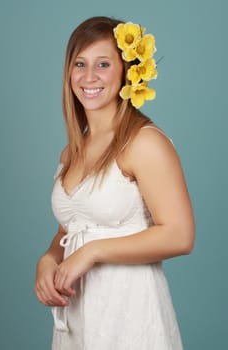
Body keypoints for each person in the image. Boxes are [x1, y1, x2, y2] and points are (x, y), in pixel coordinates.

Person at [35, 16, 195, 350]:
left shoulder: (143, 143)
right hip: (78, 316)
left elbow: (180, 235)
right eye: (80, 63)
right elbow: (73, 228)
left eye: (103, 64)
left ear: (126, 72)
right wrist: (49, 259)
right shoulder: (71, 152)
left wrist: (93, 253)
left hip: (130, 314)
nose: (89, 77)